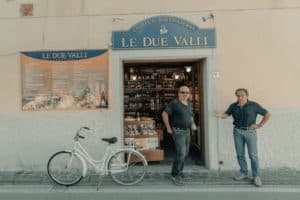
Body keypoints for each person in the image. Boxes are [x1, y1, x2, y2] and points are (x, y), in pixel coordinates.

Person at [215, 88, 271, 187]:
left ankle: (256, 176)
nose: (240, 97)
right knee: (240, 154)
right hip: (237, 131)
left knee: (253, 155)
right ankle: (244, 172)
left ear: (247, 96)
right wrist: (219, 115)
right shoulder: (233, 106)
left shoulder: (254, 105)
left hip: (250, 132)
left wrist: (259, 125)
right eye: (238, 96)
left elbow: (267, 114)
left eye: (242, 95)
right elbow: (226, 115)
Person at [162, 85, 196, 186]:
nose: (185, 94)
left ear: (189, 94)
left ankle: (179, 172)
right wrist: (168, 127)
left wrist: (192, 125)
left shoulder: (189, 104)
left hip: (187, 131)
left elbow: (190, 116)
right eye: (182, 92)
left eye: (187, 92)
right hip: (178, 131)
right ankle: (175, 174)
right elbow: (164, 114)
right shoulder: (175, 103)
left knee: (185, 153)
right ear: (178, 93)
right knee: (181, 153)